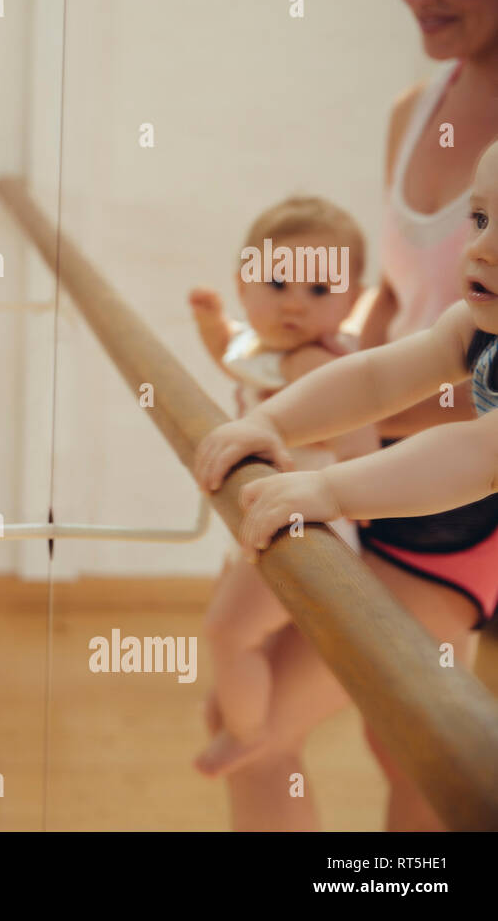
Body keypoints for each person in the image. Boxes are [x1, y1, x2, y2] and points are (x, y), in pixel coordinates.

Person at [201, 0, 498, 832]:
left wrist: (329, 485)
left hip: (448, 547)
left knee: (416, 757)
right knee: (373, 754)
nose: (479, 253)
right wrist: (271, 419)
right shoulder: (472, 320)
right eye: (480, 222)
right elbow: (377, 373)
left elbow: (478, 451)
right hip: (394, 512)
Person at [188, 197, 377, 765]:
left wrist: (361, 486)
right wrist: (212, 327)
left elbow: (359, 429)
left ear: (350, 299)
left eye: (319, 292)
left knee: (228, 633)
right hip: (267, 519)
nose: (295, 303)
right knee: (248, 633)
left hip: (305, 529)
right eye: (278, 283)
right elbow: (235, 362)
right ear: (245, 285)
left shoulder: (312, 364)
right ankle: (238, 710)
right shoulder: (266, 349)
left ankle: (248, 737)